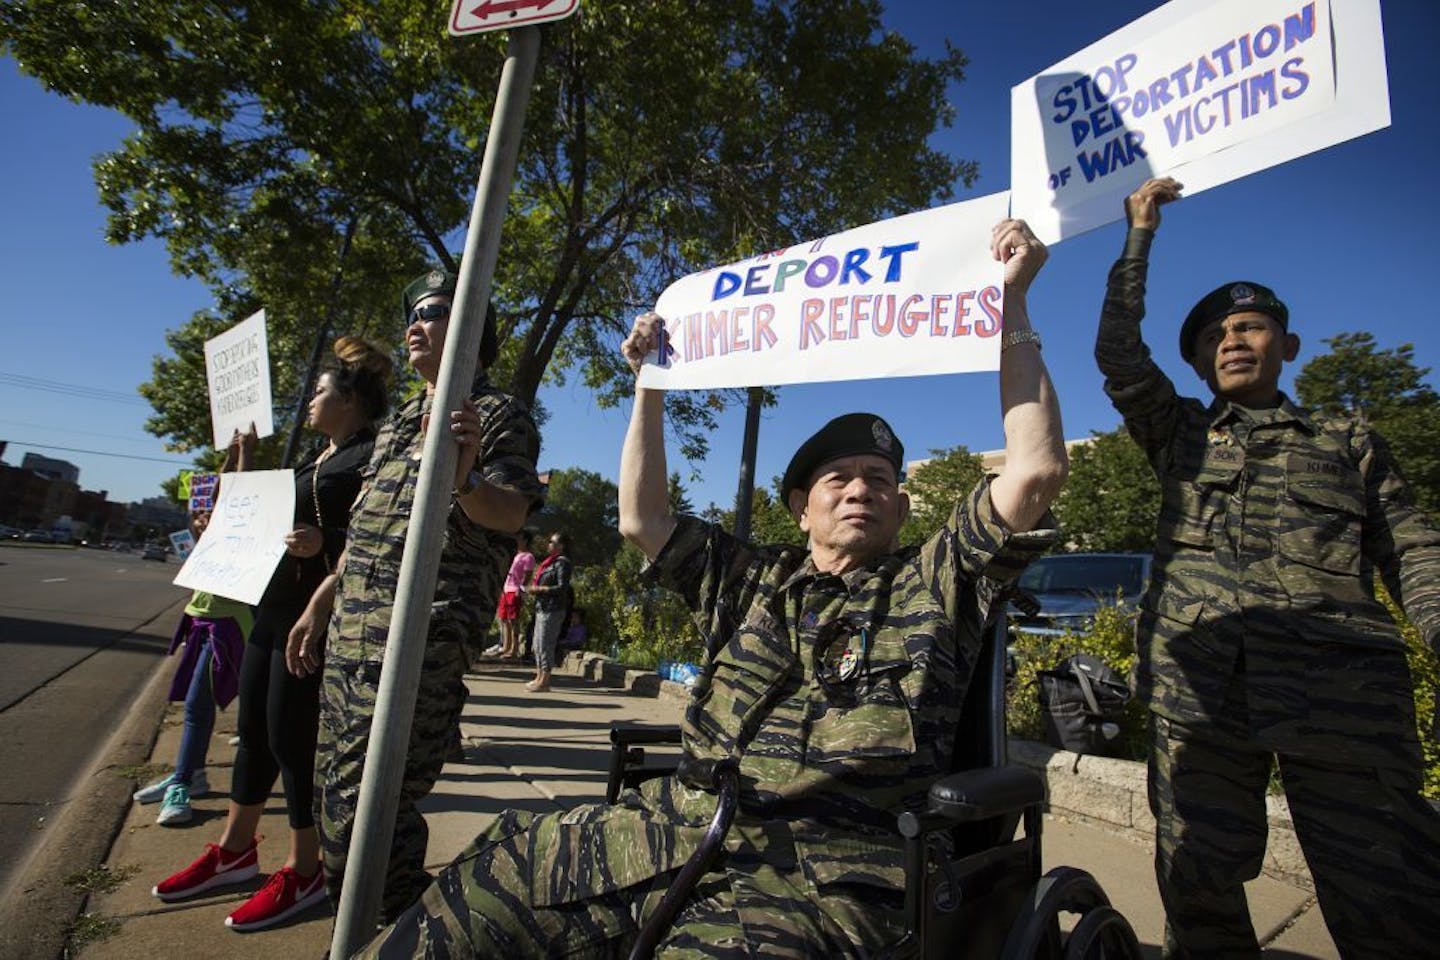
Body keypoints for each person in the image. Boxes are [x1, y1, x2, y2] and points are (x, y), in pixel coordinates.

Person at [354, 217, 1067, 957]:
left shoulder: (934, 581)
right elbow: (642, 517)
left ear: (902, 506)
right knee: (480, 891)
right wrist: (649, 383)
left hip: (826, 876)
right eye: (838, 478)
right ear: (799, 509)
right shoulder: (748, 578)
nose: (861, 490)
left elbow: (1034, 471)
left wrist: (1012, 309)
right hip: (669, 830)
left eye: (880, 480)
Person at [1096, 177, 1440, 958]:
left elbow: (1412, 546)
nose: (1232, 340)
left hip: (1341, 699)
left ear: (1287, 345)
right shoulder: (1179, 433)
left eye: (1250, 326)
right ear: (1196, 363)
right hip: (1204, 695)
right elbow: (1116, 354)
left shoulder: (1346, 438)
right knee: (1199, 885)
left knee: (1392, 890)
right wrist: (1139, 236)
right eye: (1214, 335)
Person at [291, 269, 543, 923]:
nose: (414, 326)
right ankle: (393, 929)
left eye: (432, 313)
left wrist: (464, 481)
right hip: (351, 635)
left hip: (418, 638)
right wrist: (322, 603)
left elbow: (512, 513)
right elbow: (369, 528)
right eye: (415, 314)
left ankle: (390, 929)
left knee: (366, 809)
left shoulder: (494, 415)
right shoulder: (403, 419)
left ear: (470, 331)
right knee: (333, 801)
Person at [150, 337, 393, 931]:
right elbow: (254, 514)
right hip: (271, 609)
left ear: (351, 400)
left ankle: (304, 868)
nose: (309, 401)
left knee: (291, 737)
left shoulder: (368, 457)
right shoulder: (315, 461)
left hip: (315, 616)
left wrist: (325, 543)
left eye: (319, 392)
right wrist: (240, 465)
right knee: (254, 730)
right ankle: (235, 850)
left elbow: (378, 536)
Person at [133, 428, 255, 826]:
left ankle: (185, 781)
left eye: (212, 511)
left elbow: (233, 494)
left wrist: (245, 455)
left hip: (228, 624)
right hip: (202, 619)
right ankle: (189, 774)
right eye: (201, 512)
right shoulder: (204, 529)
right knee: (195, 707)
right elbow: (208, 497)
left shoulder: (240, 530)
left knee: (200, 706)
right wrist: (231, 454)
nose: (203, 517)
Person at [525, 531, 572, 692]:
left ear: (561, 546)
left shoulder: (562, 563)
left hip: (553, 609)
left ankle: (545, 681)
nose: (549, 544)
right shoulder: (549, 563)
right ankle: (539, 676)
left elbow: (562, 587)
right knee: (537, 644)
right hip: (542, 607)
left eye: (552, 542)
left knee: (546, 645)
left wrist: (540, 589)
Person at [483, 528, 536, 659]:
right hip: (506, 588)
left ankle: (514, 649)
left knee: (513, 620)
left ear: (525, 540)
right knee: (503, 618)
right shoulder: (515, 554)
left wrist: (521, 588)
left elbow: (528, 574)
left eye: (519, 538)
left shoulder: (528, 556)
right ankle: (506, 646)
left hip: (515, 590)